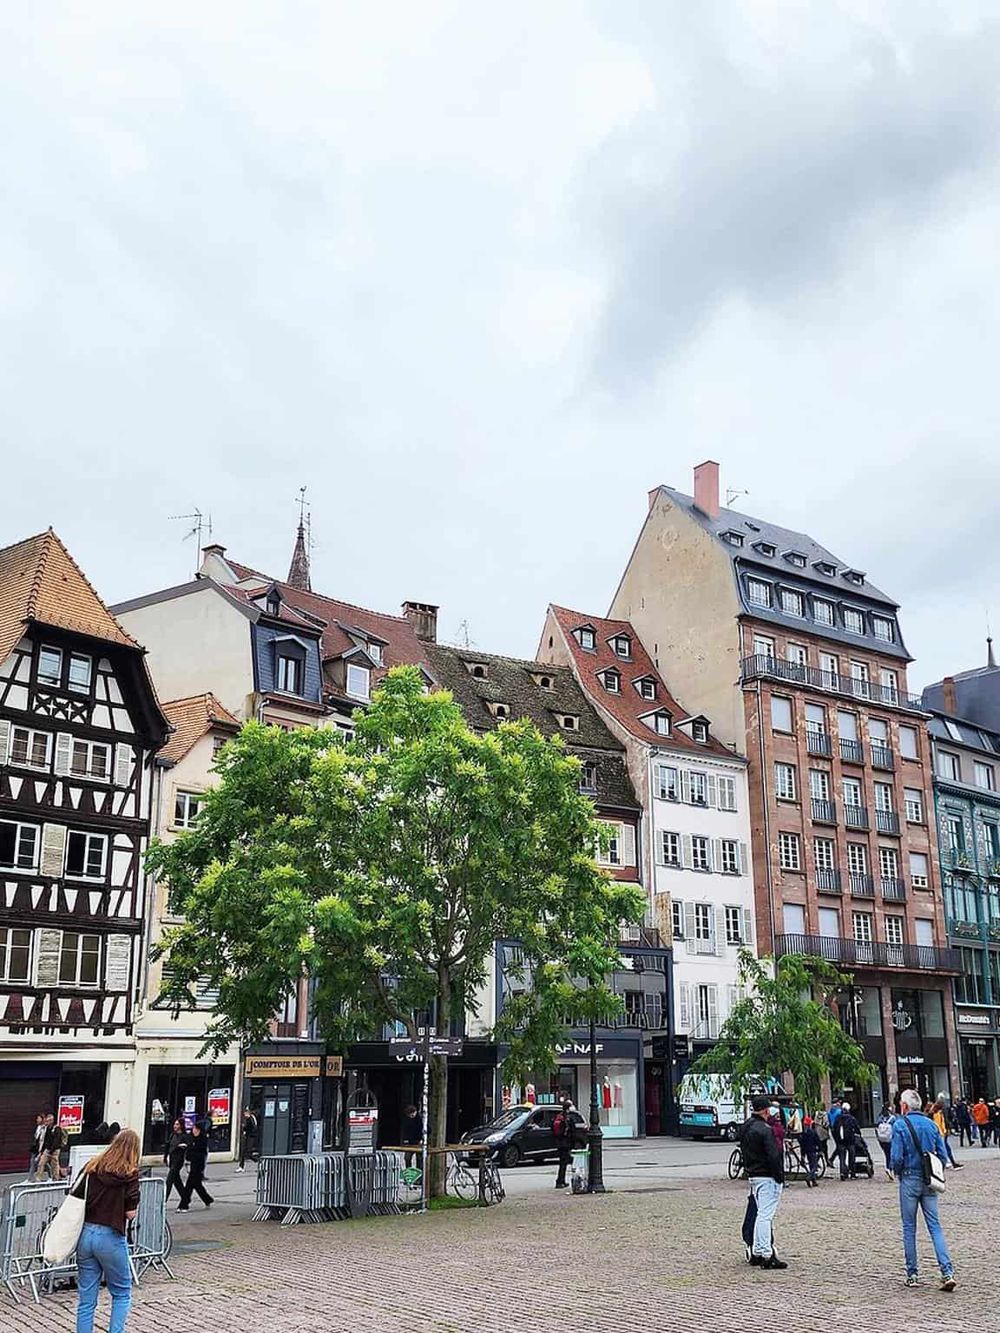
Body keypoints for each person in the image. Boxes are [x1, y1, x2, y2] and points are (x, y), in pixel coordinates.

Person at [72, 1127, 141, 1333]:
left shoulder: (92, 1167)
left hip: (86, 1234)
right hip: (111, 1235)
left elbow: (74, 1194)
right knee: (121, 1293)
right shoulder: (129, 1174)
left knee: (86, 1299)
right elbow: (130, 1213)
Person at [889, 1088, 955, 1291]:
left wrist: (899, 1172)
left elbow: (896, 1158)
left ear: (904, 1106)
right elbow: (942, 1156)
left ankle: (912, 1274)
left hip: (909, 1178)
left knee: (909, 1228)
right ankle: (947, 1272)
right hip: (929, 1180)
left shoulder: (900, 1125)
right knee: (935, 1226)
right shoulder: (931, 1124)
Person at [741, 1094, 786, 1269]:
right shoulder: (765, 1129)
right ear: (766, 1110)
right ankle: (766, 1253)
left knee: (761, 1213)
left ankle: (758, 1250)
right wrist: (779, 1176)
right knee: (765, 1215)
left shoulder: (746, 1127)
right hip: (767, 1176)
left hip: (754, 1174)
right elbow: (773, 1155)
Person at [176, 1121, 214, 1211]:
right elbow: (189, 1151)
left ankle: (184, 1205)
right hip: (192, 1164)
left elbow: (200, 1152)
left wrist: (191, 1148)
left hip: (198, 1165)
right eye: (193, 1128)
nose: (194, 1131)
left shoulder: (202, 1139)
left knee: (189, 1185)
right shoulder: (191, 1138)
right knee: (197, 1185)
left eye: (197, 1129)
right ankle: (207, 1199)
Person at [929, 1101, 962, 1169]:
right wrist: (943, 1132)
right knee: (943, 1149)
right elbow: (938, 1125)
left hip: (942, 1133)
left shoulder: (937, 1113)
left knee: (946, 1149)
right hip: (941, 1134)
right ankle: (948, 1163)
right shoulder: (937, 1114)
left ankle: (952, 1163)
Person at [163, 1118, 189, 1201]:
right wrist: (165, 1157)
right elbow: (168, 1146)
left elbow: (188, 1146)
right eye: (175, 1124)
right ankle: (185, 1197)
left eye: (177, 1124)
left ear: (181, 1126)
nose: (175, 1126)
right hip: (172, 1159)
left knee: (169, 1180)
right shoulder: (172, 1135)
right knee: (177, 1181)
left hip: (178, 1160)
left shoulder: (184, 1136)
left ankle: (164, 1199)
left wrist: (181, 1147)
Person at [36, 1113, 67, 1181]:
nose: (47, 1122)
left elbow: (57, 1140)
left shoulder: (57, 1128)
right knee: (41, 1163)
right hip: (47, 1149)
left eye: (49, 1120)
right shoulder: (47, 1129)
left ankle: (56, 1178)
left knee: (54, 1165)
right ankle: (38, 1179)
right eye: (47, 1120)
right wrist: (42, 1150)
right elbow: (45, 1139)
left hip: (55, 1150)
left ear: (52, 1121)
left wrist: (52, 1149)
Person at [553, 1098, 575, 1189]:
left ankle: (560, 1180)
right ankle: (560, 1181)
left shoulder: (560, 1116)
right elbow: (572, 1131)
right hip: (565, 1144)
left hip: (560, 1143)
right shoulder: (567, 1118)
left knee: (562, 1163)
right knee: (564, 1164)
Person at [837, 1102, 860, 1181]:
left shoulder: (838, 1118)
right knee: (851, 1156)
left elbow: (834, 1128)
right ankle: (852, 1173)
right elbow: (857, 1128)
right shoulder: (851, 1118)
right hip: (850, 1140)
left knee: (842, 1158)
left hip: (841, 1140)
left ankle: (842, 1173)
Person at [236, 1106, 260, 1172]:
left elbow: (253, 1128)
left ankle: (259, 1161)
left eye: (245, 1113)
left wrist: (244, 1128)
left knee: (248, 1153)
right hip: (248, 1136)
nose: (244, 1115)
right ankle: (241, 1166)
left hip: (251, 1137)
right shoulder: (249, 1119)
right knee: (243, 1152)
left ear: (248, 1113)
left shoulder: (251, 1119)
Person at [800, 1116, 821, 1187]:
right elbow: (818, 1141)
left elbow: (802, 1145)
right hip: (812, 1150)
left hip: (806, 1151)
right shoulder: (813, 1132)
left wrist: (802, 1154)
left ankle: (814, 1181)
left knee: (811, 1165)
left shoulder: (803, 1133)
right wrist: (820, 1149)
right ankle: (809, 1177)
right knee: (814, 1166)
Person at [26, 1113, 47, 1181]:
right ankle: (29, 1179)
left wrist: (42, 1150)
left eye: (38, 1118)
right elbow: (36, 1138)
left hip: (41, 1149)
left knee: (45, 1164)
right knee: (33, 1163)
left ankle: (51, 1176)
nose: (37, 1120)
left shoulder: (45, 1128)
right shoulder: (38, 1127)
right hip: (35, 1149)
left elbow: (43, 1140)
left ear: (42, 1119)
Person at [400, 1104, 422, 1169]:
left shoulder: (420, 1119)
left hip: (418, 1141)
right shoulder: (407, 1119)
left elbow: (427, 1129)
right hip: (410, 1142)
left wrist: (422, 1139)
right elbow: (405, 1130)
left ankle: (419, 1174)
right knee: (407, 1158)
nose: (410, 1116)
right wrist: (405, 1139)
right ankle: (409, 1173)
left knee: (419, 1159)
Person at [875, 1104, 896, 1172]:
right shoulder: (892, 1118)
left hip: (882, 1139)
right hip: (889, 1138)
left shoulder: (880, 1117)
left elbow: (877, 1127)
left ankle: (888, 1166)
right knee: (891, 1153)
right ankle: (890, 1167)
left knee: (886, 1153)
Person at [827, 1099, 844, 1171]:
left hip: (832, 1129)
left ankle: (832, 1160)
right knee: (840, 1145)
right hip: (838, 1129)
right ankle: (833, 1159)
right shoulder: (839, 1111)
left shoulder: (830, 1111)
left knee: (838, 1145)